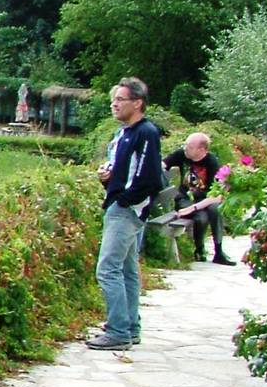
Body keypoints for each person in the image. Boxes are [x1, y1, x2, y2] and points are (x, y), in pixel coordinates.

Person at [88, 77, 162, 350]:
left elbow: (150, 177)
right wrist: (108, 179)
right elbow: (125, 170)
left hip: (125, 211)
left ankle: (117, 330)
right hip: (123, 206)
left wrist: (124, 199)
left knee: (107, 269)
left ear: (137, 103)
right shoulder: (124, 134)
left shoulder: (146, 133)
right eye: (114, 99)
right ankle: (130, 327)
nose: (114, 104)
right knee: (128, 270)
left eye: (120, 99)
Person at [164, 132, 236, 265]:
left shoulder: (211, 162)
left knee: (216, 209)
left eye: (189, 146)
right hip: (185, 199)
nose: (185, 148)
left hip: (203, 201)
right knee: (201, 217)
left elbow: (217, 196)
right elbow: (163, 164)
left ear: (201, 150)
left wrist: (193, 207)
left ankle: (218, 251)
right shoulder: (182, 154)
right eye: (185, 145)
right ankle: (199, 249)